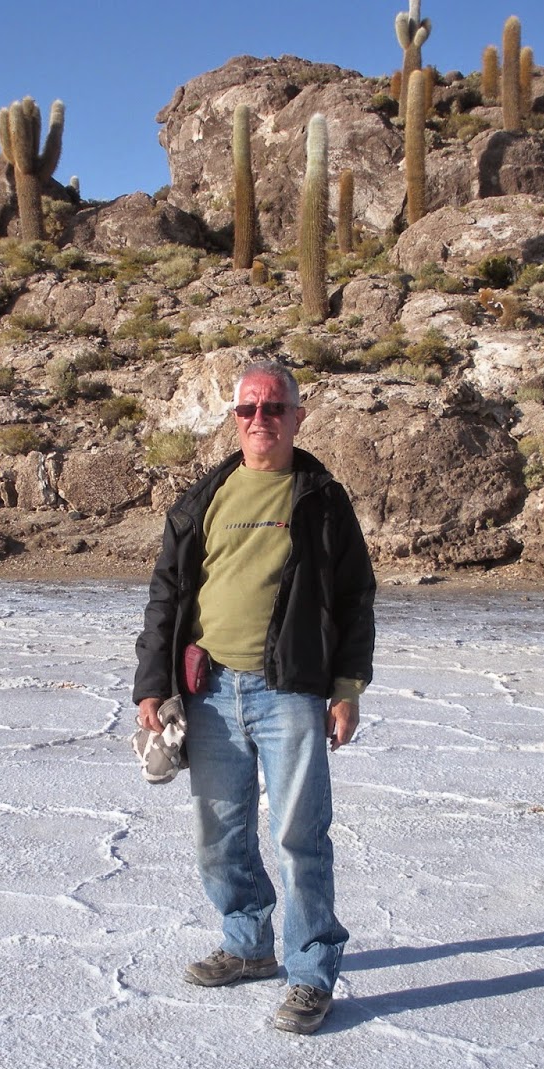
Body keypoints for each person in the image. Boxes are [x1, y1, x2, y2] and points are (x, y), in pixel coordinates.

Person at [134, 361, 376, 1035]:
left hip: (291, 691)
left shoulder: (320, 498)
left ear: (299, 416)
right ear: (234, 419)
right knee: (220, 837)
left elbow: (356, 597)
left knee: (301, 838)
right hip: (209, 693)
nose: (261, 419)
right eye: (249, 409)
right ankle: (247, 946)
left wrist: (346, 686)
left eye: (275, 408)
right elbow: (167, 597)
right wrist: (153, 683)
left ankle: (311, 973)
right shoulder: (202, 499)